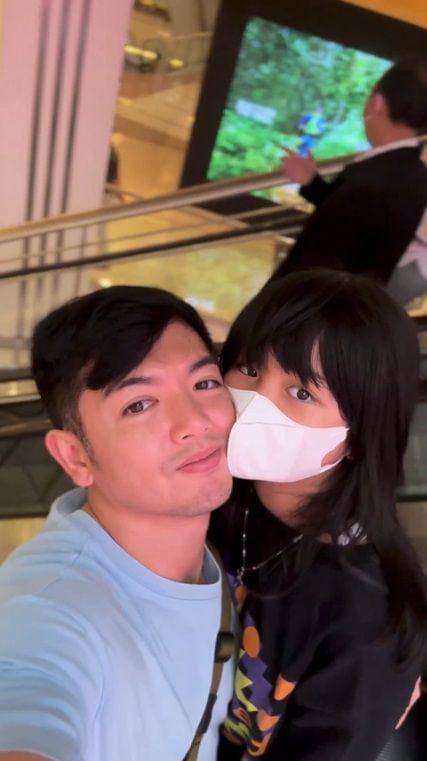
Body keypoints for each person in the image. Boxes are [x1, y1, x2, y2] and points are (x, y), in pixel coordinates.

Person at [0, 285, 236, 761]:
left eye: (204, 383)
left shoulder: (236, 552)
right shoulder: (47, 605)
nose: (194, 422)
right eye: (138, 404)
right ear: (75, 457)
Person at [211, 269, 427, 760]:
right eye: (248, 368)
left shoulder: (368, 619)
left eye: (302, 393)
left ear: (361, 431)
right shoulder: (212, 498)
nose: (254, 401)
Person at [274, 58, 427, 301]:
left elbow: (326, 251)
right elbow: (353, 221)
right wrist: (312, 183)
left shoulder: (374, 177)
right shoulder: (413, 174)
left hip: (306, 305)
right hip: (340, 307)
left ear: (377, 103)